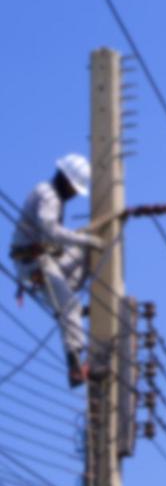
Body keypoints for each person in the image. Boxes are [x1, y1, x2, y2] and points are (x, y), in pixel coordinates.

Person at [9, 153, 102, 386]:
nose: (73, 195)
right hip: (33, 264)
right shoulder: (49, 195)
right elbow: (50, 230)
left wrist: (79, 244)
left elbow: (52, 239)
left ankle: (69, 306)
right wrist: (83, 241)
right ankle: (75, 367)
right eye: (74, 189)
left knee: (83, 253)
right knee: (69, 307)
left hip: (42, 258)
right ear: (66, 181)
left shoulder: (52, 195)